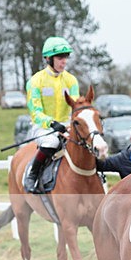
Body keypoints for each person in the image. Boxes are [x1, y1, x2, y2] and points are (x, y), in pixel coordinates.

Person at [24, 36, 79, 193]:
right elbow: (35, 112)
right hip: (43, 127)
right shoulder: (35, 81)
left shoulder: (71, 80)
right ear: (48, 58)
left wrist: (70, 124)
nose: (64, 61)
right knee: (51, 142)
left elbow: (75, 107)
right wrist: (52, 123)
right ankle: (32, 175)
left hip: (67, 125)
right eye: (60, 57)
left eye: (66, 57)